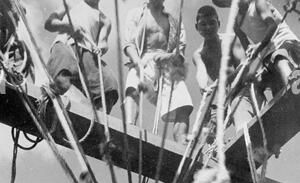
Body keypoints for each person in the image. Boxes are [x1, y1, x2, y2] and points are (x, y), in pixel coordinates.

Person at [212, 0, 300, 129]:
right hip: (269, 59)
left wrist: (258, 46)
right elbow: (249, 50)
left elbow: (272, 26)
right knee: (255, 83)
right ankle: (257, 126)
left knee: (277, 57)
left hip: (287, 46)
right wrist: (250, 52)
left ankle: (294, 81)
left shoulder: (258, 3)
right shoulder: (237, 24)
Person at [124, 0, 193, 145]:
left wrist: (168, 56)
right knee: (132, 85)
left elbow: (180, 50)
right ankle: (129, 126)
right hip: (143, 59)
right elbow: (129, 44)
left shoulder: (173, 19)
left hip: (168, 64)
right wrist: (137, 61)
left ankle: (182, 140)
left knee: (184, 102)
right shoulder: (136, 14)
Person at [45, 0, 118, 114]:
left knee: (109, 84)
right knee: (66, 68)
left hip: (88, 54)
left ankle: (100, 121)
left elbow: (103, 42)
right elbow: (49, 23)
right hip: (66, 44)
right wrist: (68, 26)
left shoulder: (105, 20)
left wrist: (101, 47)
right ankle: (48, 100)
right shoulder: (69, 4)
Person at [193, 5, 246, 140]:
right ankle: (216, 145)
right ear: (197, 27)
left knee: (239, 115)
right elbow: (201, 72)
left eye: (212, 22)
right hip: (221, 94)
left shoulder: (230, 39)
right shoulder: (199, 54)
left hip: (240, 85)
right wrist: (203, 86)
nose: (208, 28)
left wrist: (222, 82)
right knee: (206, 126)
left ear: (219, 23)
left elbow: (243, 64)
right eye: (203, 24)